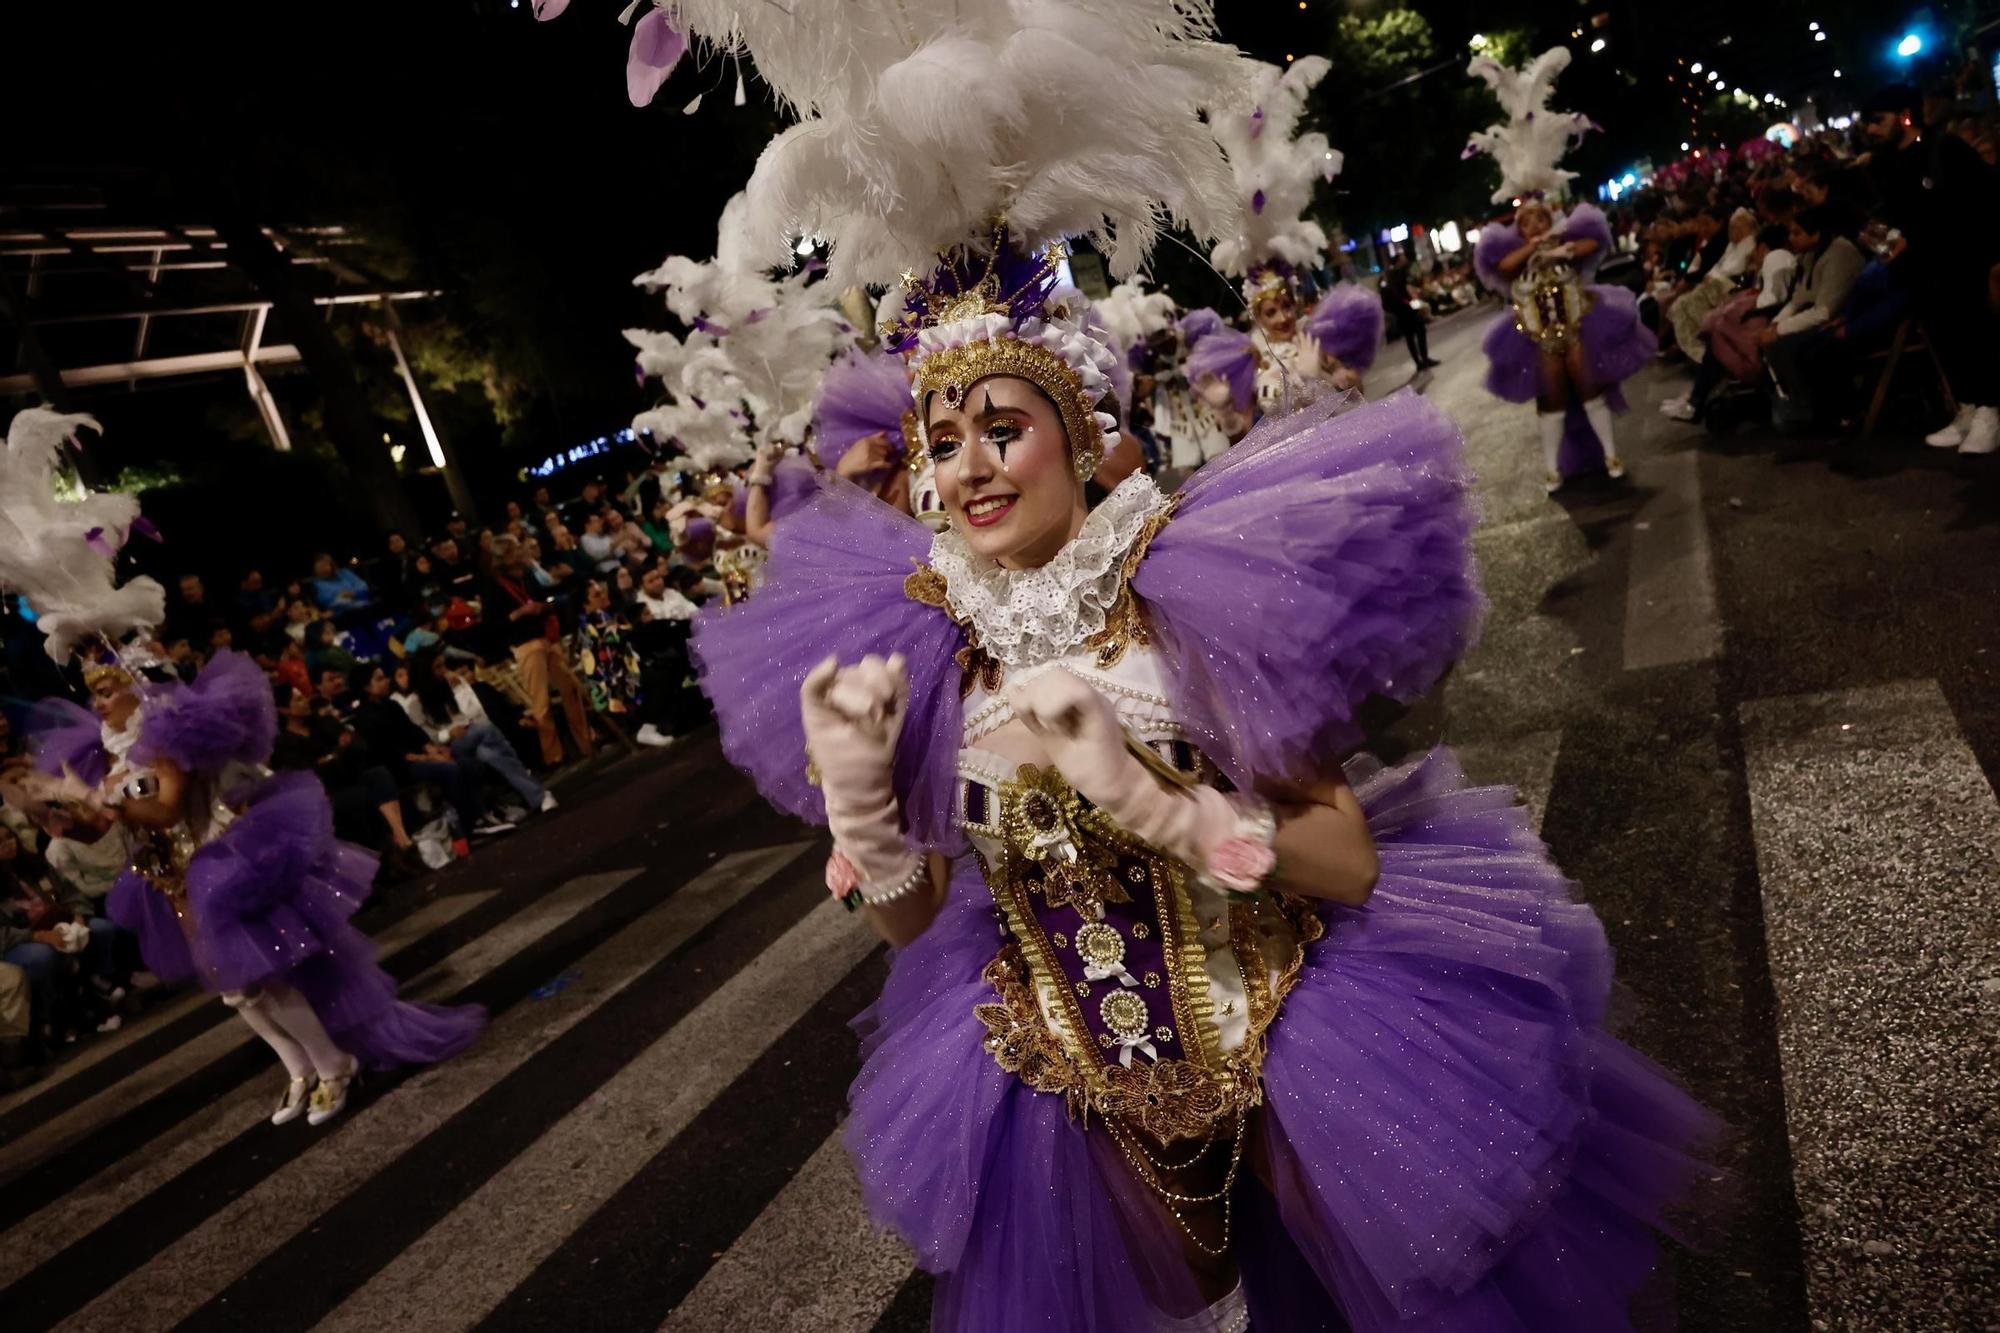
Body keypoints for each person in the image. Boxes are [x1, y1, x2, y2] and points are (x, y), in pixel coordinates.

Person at [678, 8, 1712, 1322]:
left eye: (1005, 425)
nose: (972, 464)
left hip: (1295, 1048)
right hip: (1068, 1093)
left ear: (1081, 434)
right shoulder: (923, 648)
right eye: (946, 441)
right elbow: (915, 919)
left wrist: (1170, 807)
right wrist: (870, 816)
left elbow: (1344, 860)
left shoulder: (1184, 600)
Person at [41, 655, 483, 1124]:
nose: (99, 702)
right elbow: (103, 823)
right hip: (169, 878)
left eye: (108, 690)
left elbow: (167, 811)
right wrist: (66, 815)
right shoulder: (112, 750)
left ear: (136, 687)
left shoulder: (168, 735)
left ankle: (334, 1064)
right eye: (95, 693)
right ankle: (300, 1069)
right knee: (232, 988)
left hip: (217, 865)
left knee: (259, 977)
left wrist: (98, 800)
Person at [1861, 83, 2000, 454]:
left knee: (1973, 335)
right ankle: (1968, 407)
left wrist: (1918, 237)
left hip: (1960, 264)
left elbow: (1980, 203)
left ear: (1905, 116)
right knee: (1946, 339)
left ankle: (1990, 411)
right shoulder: (1886, 163)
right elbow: (1893, 216)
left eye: (1878, 120)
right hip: (1919, 273)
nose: (1871, 130)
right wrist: (1885, 239)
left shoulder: (1946, 149)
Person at [1477, 198, 1652, 492]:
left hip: (1577, 328)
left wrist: (1558, 248)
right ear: (1518, 229)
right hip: (1538, 338)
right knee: (1551, 398)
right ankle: (1551, 468)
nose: (1535, 226)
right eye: (1527, 222)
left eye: (1540, 220)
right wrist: (1534, 248)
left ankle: (1611, 455)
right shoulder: (1518, 259)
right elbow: (1503, 266)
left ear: (1550, 221)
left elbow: (1592, 244)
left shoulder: (1565, 245)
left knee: (1589, 387)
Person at [270, 682, 424, 875]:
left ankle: (402, 840)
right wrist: (337, 754)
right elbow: (308, 773)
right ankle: (387, 859)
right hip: (325, 793)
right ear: (284, 709)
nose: (306, 701)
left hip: (349, 775)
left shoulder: (322, 723)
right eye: (298, 699)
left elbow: (357, 745)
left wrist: (334, 757)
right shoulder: (284, 744)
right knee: (362, 796)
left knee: (378, 774)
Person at [346, 663, 508, 842]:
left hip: (418, 757)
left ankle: (483, 813)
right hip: (399, 767)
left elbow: (413, 731)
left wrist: (433, 749)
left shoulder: (391, 704)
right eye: (379, 679)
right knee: (449, 770)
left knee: (466, 762)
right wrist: (427, 757)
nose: (386, 681)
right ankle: (471, 825)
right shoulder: (363, 717)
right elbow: (387, 752)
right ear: (366, 686)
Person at [484, 535, 595, 768]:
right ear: (503, 556)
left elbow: (546, 600)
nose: (520, 552)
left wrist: (541, 607)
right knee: (541, 703)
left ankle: (586, 741)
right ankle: (553, 755)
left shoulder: (526, 575)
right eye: (515, 549)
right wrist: (520, 613)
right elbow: (492, 625)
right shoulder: (493, 586)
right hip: (525, 644)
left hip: (546, 636)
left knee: (572, 688)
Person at [405, 649, 560, 810]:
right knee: (485, 729)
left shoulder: (450, 684)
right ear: (426, 672)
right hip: (449, 746)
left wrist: (459, 689)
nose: (444, 670)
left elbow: (471, 714)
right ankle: (529, 777)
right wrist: (448, 734)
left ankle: (539, 797)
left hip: (472, 735)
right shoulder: (414, 703)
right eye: (438, 667)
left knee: (490, 753)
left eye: (443, 665)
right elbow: (425, 737)